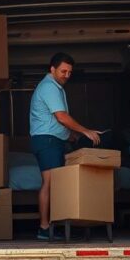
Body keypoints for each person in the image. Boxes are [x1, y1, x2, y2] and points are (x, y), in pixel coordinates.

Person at [29, 52, 103, 240]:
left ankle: (52, 226)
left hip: (51, 140)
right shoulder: (49, 87)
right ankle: (45, 228)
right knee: (50, 183)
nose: (67, 75)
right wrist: (85, 131)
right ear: (52, 69)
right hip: (47, 141)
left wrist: (72, 136)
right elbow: (61, 117)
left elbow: (54, 121)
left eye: (70, 72)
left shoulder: (55, 87)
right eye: (63, 71)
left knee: (54, 183)